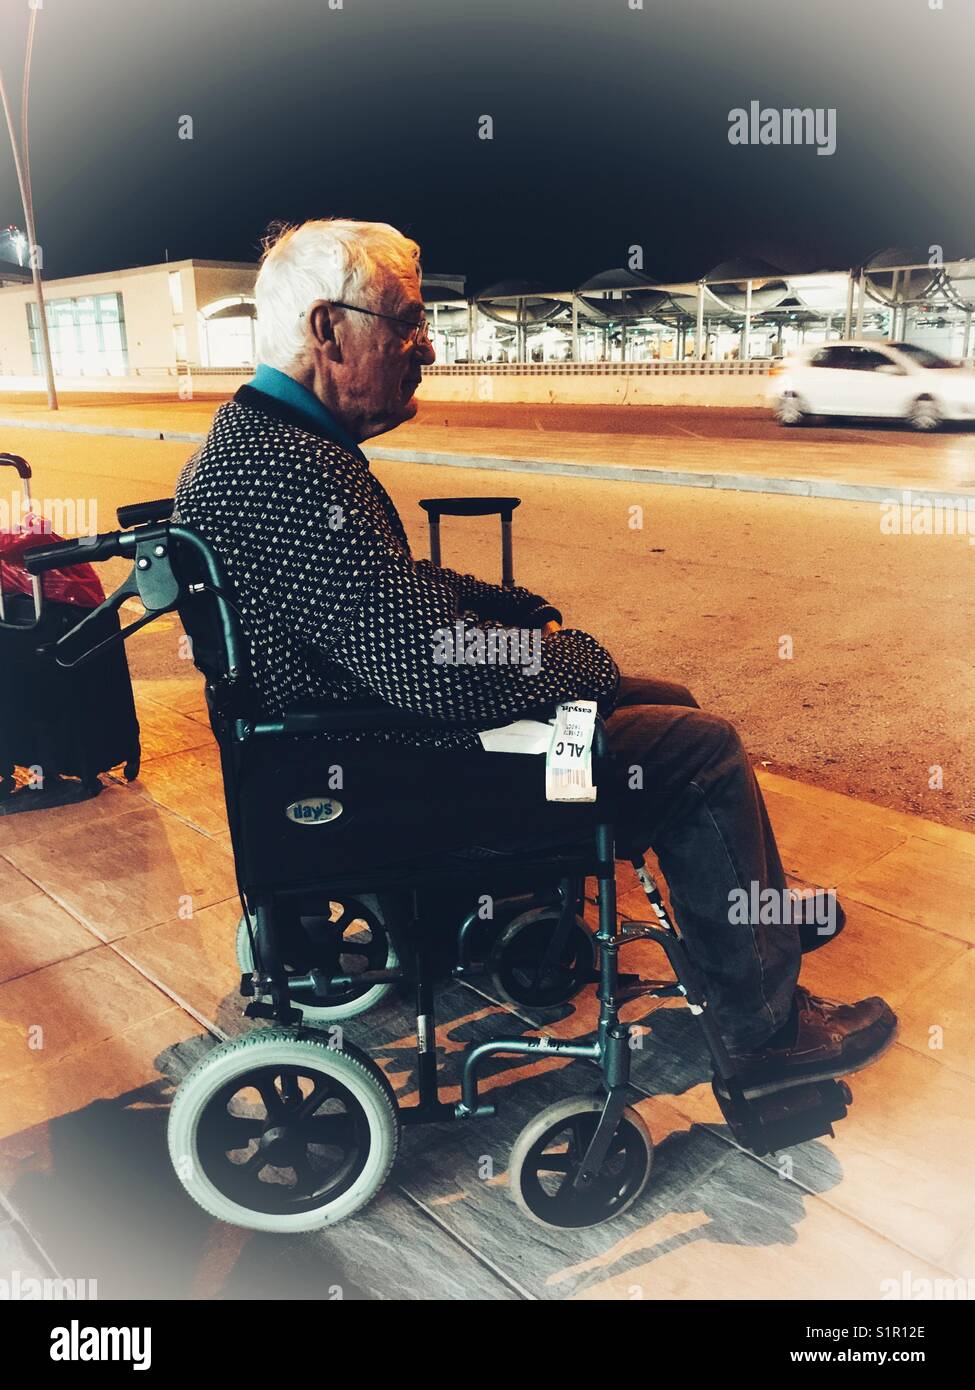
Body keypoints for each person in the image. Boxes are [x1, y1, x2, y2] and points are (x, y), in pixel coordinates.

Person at [174, 218, 897, 1096]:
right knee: (698, 753)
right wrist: (571, 661)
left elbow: (383, 593)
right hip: (394, 770)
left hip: (352, 746)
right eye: (403, 322)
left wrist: (501, 606)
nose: (425, 347)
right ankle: (765, 1032)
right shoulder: (286, 466)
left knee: (665, 699)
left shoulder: (266, 442)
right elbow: (426, 663)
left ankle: (752, 924)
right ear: (328, 330)